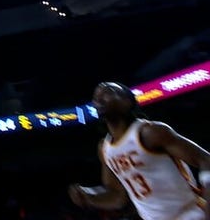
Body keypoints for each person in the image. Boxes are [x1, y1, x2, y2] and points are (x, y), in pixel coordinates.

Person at [68, 81, 210, 220]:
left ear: (127, 102)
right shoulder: (104, 149)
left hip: (190, 214)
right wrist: (89, 196)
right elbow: (117, 196)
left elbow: (205, 159)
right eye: (96, 96)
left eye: (108, 92)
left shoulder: (150, 132)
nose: (99, 99)